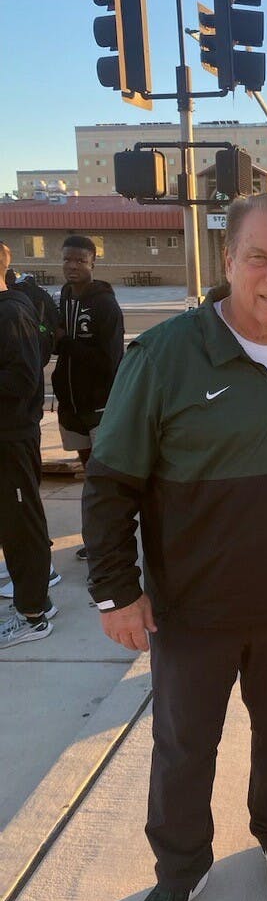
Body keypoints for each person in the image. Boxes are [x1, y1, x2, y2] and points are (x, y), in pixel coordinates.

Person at [81, 194, 267, 901]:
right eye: (258, 257)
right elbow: (110, 481)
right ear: (228, 262)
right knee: (185, 747)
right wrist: (114, 592)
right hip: (191, 611)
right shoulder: (165, 357)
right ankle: (180, 870)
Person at [51, 234, 124, 560]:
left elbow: (110, 362)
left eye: (80, 260)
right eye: (68, 259)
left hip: (99, 405)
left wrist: (66, 343)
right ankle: (95, 540)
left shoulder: (105, 304)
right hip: (70, 405)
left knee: (103, 480)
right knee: (87, 475)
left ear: (93, 262)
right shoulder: (64, 295)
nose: (72, 266)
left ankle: (108, 544)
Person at [0, 243, 58, 649]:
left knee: (22, 522)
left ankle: (34, 613)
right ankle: (27, 592)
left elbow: (24, 378)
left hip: (13, 434)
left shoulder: (11, 313)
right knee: (11, 521)